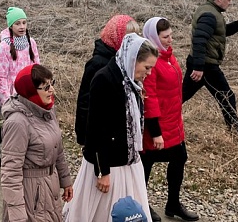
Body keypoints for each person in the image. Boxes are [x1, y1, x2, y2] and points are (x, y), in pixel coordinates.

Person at [64, 34, 157, 222]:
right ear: (133, 59)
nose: (149, 73)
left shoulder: (132, 82)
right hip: (108, 166)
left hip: (129, 163)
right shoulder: (104, 79)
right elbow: (95, 131)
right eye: (147, 67)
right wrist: (102, 172)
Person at [0, 63, 73, 222]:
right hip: (30, 196)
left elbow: (58, 149)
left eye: (51, 84)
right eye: (45, 87)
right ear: (30, 91)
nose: (52, 90)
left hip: (50, 188)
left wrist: (65, 180)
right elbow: (10, 173)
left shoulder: (48, 110)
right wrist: (17, 214)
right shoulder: (17, 122)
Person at [140, 18, 196, 222]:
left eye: (171, 35)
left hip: (173, 122)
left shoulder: (168, 57)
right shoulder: (151, 62)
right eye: (165, 37)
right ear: (154, 37)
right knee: (146, 164)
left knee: (179, 158)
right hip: (157, 125)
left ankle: (173, 203)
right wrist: (156, 132)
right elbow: (150, 98)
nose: (170, 40)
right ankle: (142, 204)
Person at [181, 0, 238, 136]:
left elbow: (219, 32)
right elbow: (200, 40)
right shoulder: (209, 15)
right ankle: (236, 133)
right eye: (229, 0)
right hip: (206, 66)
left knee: (180, 96)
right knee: (226, 96)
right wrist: (199, 67)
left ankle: (158, 118)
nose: (230, 3)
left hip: (200, 63)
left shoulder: (209, 11)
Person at [75, 15, 138, 147]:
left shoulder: (126, 60)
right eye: (128, 37)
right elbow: (85, 101)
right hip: (101, 132)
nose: (132, 41)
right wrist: (84, 135)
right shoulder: (98, 64)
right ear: (116, 36)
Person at [0, 7, 41, 110]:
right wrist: (7, 102)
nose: (22, 26)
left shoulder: (31, 42)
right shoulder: (3, 47)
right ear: (11, 26)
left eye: (24, 23)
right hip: (12, 98)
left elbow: (37, 69)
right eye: (17, 23)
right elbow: (0, 78)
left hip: (29, 96)